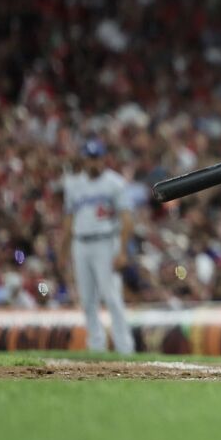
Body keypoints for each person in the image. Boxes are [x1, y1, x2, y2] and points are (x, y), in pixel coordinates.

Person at [61, 139, 136, 354]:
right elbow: (68, 220)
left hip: (105, 242)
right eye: (90, 158)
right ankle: (96, 346)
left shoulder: (115, 183)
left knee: (111, 296)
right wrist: (63, 251)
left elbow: (127, 220)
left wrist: (122, 251)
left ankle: (125, 347)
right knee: (87, 299)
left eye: (96, 158)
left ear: (103, 159)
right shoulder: (73, 184)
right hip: (80, 243)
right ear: (84, 160)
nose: (93, 162)